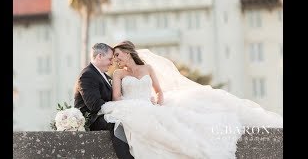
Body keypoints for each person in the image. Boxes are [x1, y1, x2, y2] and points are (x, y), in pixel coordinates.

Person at [98, 40, 283, 159]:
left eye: (117, 55)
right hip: (132, 107)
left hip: (151, 105)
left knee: (193, 116)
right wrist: (137, 106)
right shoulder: (118, 74)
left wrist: (158, 103)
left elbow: (159, 91)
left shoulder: (147, 68)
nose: (115, 59)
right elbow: (117, 97)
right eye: (113, 57)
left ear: (127, 53)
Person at [74, 43, 134, 159]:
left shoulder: (104, 76)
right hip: (92, 119)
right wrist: (120, 109)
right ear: (99, 56)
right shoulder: (87, 75)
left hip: (102, 114)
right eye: (110, 59)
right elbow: (95, 105)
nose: (112, 63)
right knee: (117, 123)